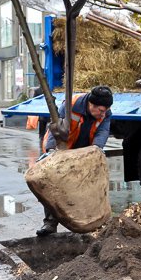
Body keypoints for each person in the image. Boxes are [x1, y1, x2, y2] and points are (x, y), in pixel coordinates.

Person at [36, 85, 113, 236]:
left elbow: (103, 131)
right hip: (62, 147)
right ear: (91, 105)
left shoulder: (105, 113)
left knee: (86, 185)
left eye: (105, 110)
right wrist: (52, 150)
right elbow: (55, 126)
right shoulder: (71, 105)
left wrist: (97, 148)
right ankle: (50, 224)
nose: (103, 114)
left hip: (84, 150)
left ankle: (89, 225)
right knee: (53, 184)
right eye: (101, 110)